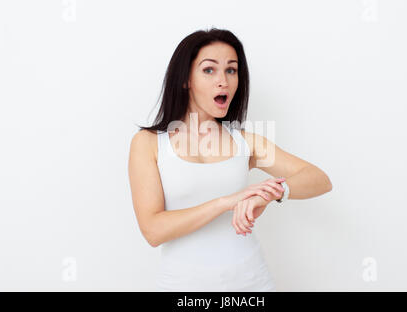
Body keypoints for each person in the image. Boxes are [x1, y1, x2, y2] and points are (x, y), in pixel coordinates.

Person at [128, 28, 332, 291]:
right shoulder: (149, 143)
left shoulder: (245, 143)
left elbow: (319, 179)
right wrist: (225, 202)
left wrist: (271, 194)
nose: (223, 81)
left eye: (231, 70)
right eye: (209, 70)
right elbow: (153, 231)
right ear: (185, 79)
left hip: (251, 283)